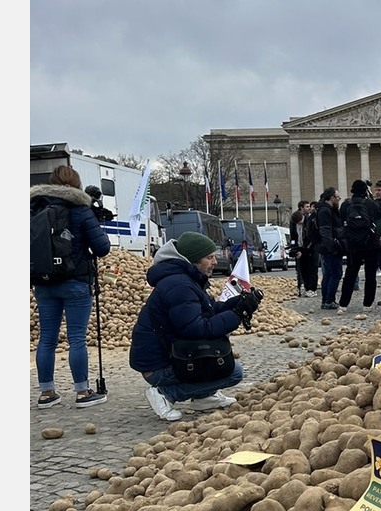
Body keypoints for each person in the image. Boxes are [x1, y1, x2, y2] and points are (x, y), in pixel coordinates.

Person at [129, 231, 259, 421]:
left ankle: (203, 397)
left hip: (172, 353)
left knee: (222, 357)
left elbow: (211, 310)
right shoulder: (179, 285)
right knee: (233, 372)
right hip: (158, 366)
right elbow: (196, 329)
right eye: (209, 257)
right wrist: (236, 315)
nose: (215, 262)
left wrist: (239, 303)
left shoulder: (188, 280)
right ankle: (166, 394)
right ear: (193, 261)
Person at [31, 165, 112, 409]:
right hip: (76, 280)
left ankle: (47, 393)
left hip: (43, 281)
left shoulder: (34, 207)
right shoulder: (80, 208)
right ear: (76, 184)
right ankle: (83, 392)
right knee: (77, 338)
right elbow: (102, 248)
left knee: (46, 338)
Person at [338, 179, 381, 309]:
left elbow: (342, 220)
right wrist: (370, 197)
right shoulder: (370, 203)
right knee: (370, 274)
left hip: (353, 243)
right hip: (370, 242)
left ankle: (343, 304)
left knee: (350, 273)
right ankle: (367, 304)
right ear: (365, 190)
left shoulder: (346, 204)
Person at [314, 187, 344, 309]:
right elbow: (325, 230)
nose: (339, 200)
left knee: (328, 274)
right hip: (330, 248)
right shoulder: (325, 211)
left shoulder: (325, 209)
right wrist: (332, 246)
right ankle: (329, 300)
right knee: (335, 274)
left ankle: (326, 300)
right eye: (338, 197)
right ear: (332, 198)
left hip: (326, 247)